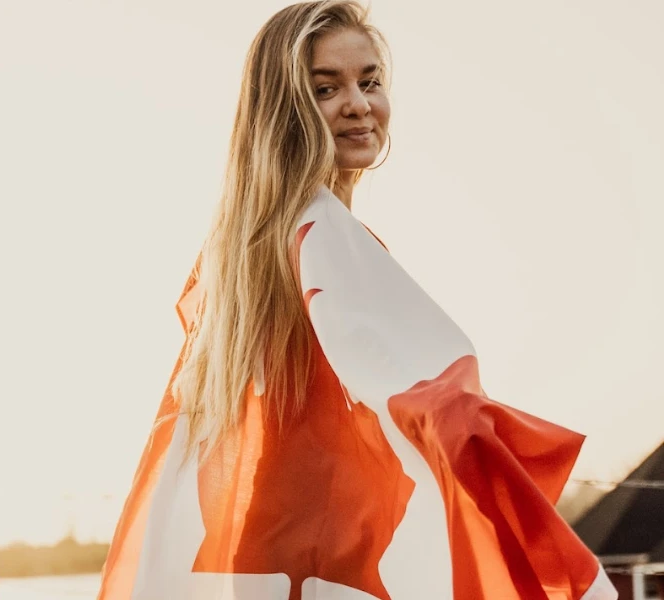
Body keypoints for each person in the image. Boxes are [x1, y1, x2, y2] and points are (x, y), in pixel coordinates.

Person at [97, 1, 616, 598]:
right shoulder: (319, 234)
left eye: (370, 81)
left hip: (263, 554)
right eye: (326, 88)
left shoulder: (243, 246)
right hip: (325, 556)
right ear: (283, 110)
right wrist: (536, 517)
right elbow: (425, 398)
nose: (359, 104)